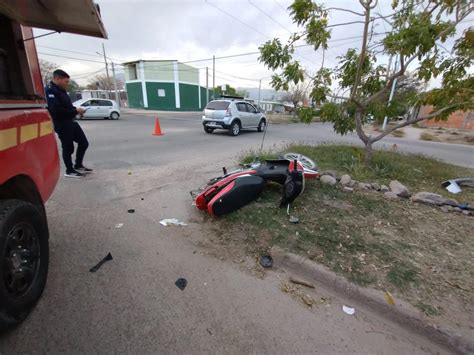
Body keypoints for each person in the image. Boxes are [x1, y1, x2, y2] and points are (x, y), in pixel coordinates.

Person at [46, 69, 92, 178]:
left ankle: (78, 165)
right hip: (62, 124)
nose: (67, 84)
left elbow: (68, 107)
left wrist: (77, 110)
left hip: (71, 121)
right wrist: (76, 111)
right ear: (57, 79)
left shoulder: (61, 90)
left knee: (84, 143)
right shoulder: (50, 91)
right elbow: (57, 111)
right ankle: (69, 170)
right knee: (68, 148)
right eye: (66, 82)